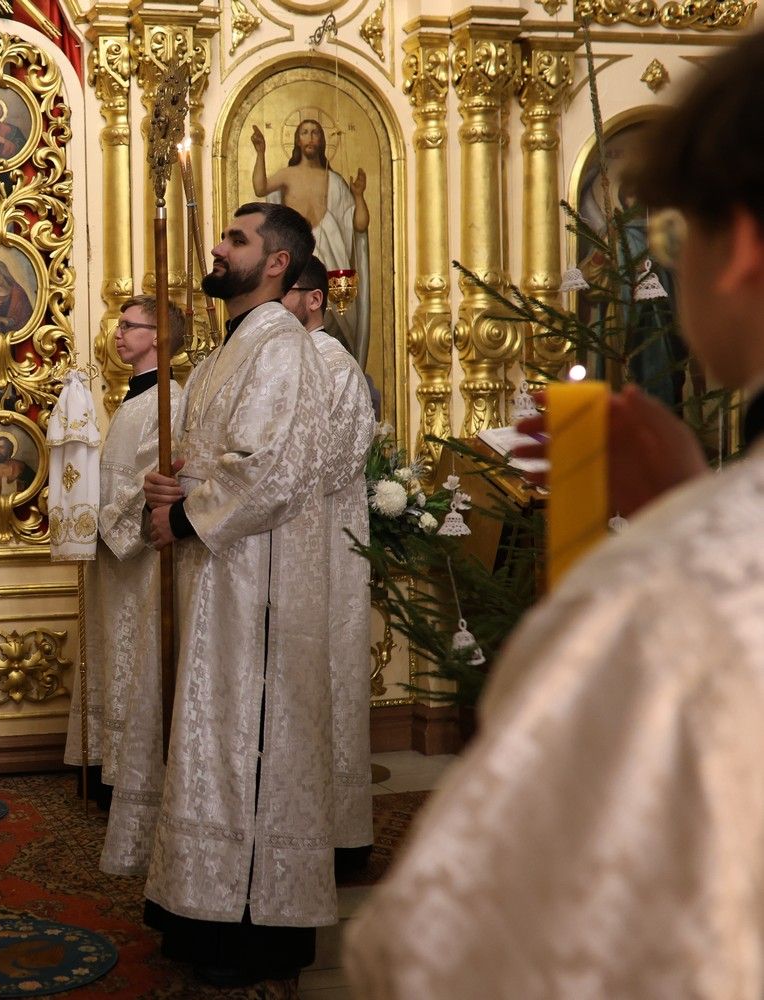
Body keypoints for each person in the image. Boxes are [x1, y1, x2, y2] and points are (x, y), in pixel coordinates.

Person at [345, 32, 764, 998]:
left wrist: (682, 534)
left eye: (675, 238)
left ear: (738, 246)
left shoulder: (676, 595)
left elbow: (434, 954)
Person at [141, 202, 336, 995]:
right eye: (223, 236)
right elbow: (212, 458)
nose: (219, 249)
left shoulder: (281, 347)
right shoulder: (229, 349)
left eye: (237, 239)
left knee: (249, 741)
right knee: (214, 736)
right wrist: (172, 487)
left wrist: (185, 515)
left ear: (278, 263)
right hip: (220, 577)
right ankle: (203, 906)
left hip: (260, 584)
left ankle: (253, 930)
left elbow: (267, 471)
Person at [62, 294, 182, 867]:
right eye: (119, 324)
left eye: (130, 326)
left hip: (138, 562)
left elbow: (151, 481)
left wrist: (100, 523)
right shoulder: (132, 398)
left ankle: (132, 775)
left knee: (134, 661)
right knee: (112, 655)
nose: (118, 333)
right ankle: (110, 766)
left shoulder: (169, 399)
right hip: (112, 559)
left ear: (158, 336)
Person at [284, 256, 377, 874]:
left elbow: (332, 461)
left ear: (314, 299)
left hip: (324, 544)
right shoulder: (290, 359)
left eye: (285, 292)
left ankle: (338, 833)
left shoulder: (331, 364)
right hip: (294, 539)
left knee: (330, 672)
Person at [252, 119, 371, 367]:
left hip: (330, 262)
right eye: (305, 132)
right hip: (296, 260)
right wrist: (261, 152)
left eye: (315, 132)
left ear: (322, 140)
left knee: (331, 328)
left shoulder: (334, 181)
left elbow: (359, 225)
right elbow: (260, 187)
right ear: (297, 140)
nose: (310, 137)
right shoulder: (288, 175)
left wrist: (359, 196)